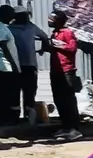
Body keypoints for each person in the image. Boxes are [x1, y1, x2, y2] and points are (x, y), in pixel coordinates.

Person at [42, 10, 83, 140]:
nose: (49, 21)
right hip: (56, 71)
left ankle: (74, 129)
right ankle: (65, 126)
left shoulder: (67, 33)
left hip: (66, 71)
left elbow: (72, 48)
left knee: (68, 100)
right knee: (59, 100)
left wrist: (56, 45)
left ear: (59, 21)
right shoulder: (55, 33)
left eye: (52, 19)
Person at [9, 10, 48, 124]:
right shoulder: (31, 28)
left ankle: (15, 118)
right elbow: (45, 37)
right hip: (29, 65)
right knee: (29, 91)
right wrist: (43, 49)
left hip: (15, 65)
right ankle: (29, 117)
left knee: (14, 92)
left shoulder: (9, 29)